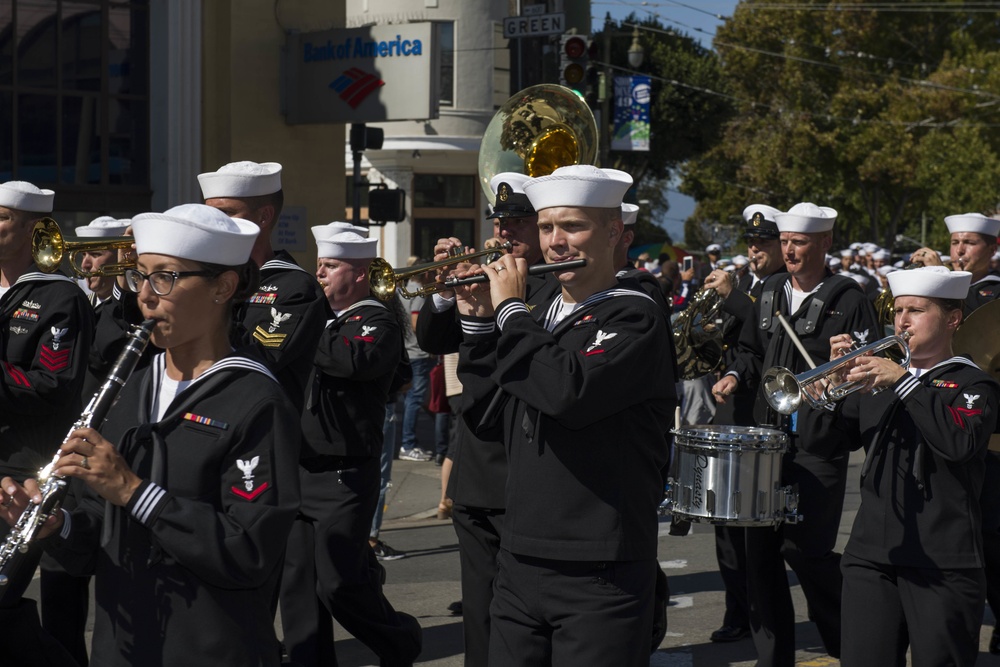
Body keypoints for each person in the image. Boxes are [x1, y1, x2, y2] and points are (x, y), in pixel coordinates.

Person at [1, 203, 301, 665]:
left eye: (166, 277)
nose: (145, 295)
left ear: (223, 286)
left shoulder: (255, 400)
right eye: (141, 275)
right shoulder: (132, 388)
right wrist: (57, 525)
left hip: (211, 649)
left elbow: (250, 551)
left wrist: (134, 491)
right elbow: (97, 529)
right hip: (121, 646)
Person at [454, 164, 676, 665]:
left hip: (598, 566)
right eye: (548, 227)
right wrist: (477, 322)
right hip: (519, 556)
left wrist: (509, 311)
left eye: (573, 226)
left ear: (613, 231)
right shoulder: (543, 309)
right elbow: (486, 415)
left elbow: (567, 391)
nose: (556, 242)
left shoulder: (635, 313)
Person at [712, 202, 878, 667]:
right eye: (785, 241)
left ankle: (854, 644)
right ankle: (773, 659)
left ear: (825, 243)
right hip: (766, 442)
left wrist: (839, 375)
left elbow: (867, 370)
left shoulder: (848, 298)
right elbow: (749, 350)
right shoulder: (768, 292)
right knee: (760, 556)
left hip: (817, 445)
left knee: (807, 551)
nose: (789, 250)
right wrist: (733, 375)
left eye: (799, 242)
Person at [414, 171, 562, 666]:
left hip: (526, 466)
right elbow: (437, 342)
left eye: (519, 222)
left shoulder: (552, 291)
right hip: (478, 465)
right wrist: (443, 291)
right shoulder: (492, 272)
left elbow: (512, 375)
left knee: (526, 615)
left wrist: (491, 310)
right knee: (478, 607)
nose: (506, 233)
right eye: (501, 221)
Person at [830, 266, 998, 666]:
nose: (902, 320)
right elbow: (826, 445)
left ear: (952, 318)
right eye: (898, 310)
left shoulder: (974, 385)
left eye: (916, 310)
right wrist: (831, 390)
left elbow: (958, 443)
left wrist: (904, 382)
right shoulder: (877, 379)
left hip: (944, 559)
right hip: (872, 553)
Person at [279, 224, 421, 667]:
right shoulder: (321, 318)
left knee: (338, 583)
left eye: (331, 265)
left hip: (343, 471)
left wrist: (299, 325)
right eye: (319, 264)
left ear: (359, 273)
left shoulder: (376, 320)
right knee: (298, 585)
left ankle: (399, 640)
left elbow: (349, 360)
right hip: (298, 463)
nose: (319, 273)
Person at [0, 181, 95, 666]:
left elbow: (52, 384)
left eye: (2, 217)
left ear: (35, 229)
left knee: (3, 599)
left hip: (25, 472)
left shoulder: (58, 297)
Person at [701, 204, 786, 644]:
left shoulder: (782, 285)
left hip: (762, 413)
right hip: (730, 410)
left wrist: (733, 295)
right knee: (725, 523)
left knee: (756, 528)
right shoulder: (750, 284)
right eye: (751, 243)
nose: (754, 250)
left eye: (764, 243)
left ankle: (759, 613)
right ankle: (737, 609)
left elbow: (767, 337)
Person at [199, 160, 327, 413]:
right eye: (210, 215)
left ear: (264, 216)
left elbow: (258, 359)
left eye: (226, 213)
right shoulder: (200, 278)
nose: (214, 225)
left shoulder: (295, 287)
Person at [398, 257, 436, 462]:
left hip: (407, 351)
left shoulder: (402, 290)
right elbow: (415, 323)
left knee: (410, 400)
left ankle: (408, 442)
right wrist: (430, 345)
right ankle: (408, 444)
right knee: (414, 400)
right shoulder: (419, 293)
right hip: (419, 353)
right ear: (427, 274)